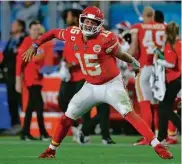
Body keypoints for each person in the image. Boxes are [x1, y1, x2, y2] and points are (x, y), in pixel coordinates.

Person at [23, 6, 172, 160]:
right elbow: (53, 33)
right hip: (90, 85)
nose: (89, 25)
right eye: (87, 21)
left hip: (111, 84)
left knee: (129, 113)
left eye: (93, 22)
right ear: (81, 20)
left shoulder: (106, 38)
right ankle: (51, 150)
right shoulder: (73, 34)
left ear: (99, 25)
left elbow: (120, 54)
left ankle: (157, 145)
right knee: (66, 117)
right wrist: (36, 44)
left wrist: (133, 62)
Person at [60, 8, 115, 144]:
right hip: (74, 76)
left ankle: (100, 135)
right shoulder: (72, 33)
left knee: (101, 107)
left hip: (88, 75)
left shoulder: (89, 35)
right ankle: (83, 129)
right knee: (69, 102)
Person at [128, 7, 166, 145]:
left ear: (144, 16)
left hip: (146, 68)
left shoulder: (138, 27)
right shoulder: (165, 27)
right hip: (161, 69)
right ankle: (159, 136)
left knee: (144, 103)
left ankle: (147, 137)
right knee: (157, 104)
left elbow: (133, 49)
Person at [16, 20, 50, 141]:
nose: (36, 32)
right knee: (39, 105)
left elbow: (41, 60)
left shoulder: (39, 43)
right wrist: (17, 80)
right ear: (30, 30)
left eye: (38, 29)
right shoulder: (26, 42)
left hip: (38, 78)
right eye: (34, 29)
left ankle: (25, 132)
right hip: (31, 78)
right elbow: (20, 61)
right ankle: (43, 132)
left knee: (30, 107)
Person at [155, 22, 181, 143]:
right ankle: (161, 136)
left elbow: (171, 64)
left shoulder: (171, 45)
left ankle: (162, 136)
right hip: (177, 79)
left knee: (165, 108)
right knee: (164, 107)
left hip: (174, 79)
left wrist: (158, 61)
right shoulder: (179, 43)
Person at [0, 20, 26, 134]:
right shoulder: (11, 40)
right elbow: (5, 56)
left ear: (20, 27)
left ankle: (24, 124)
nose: (12, 26)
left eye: (14, 25)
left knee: (20, 100)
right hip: (9, 75)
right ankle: (15, 124)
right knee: (11, 100)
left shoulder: (24, 40)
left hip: (19, 75)